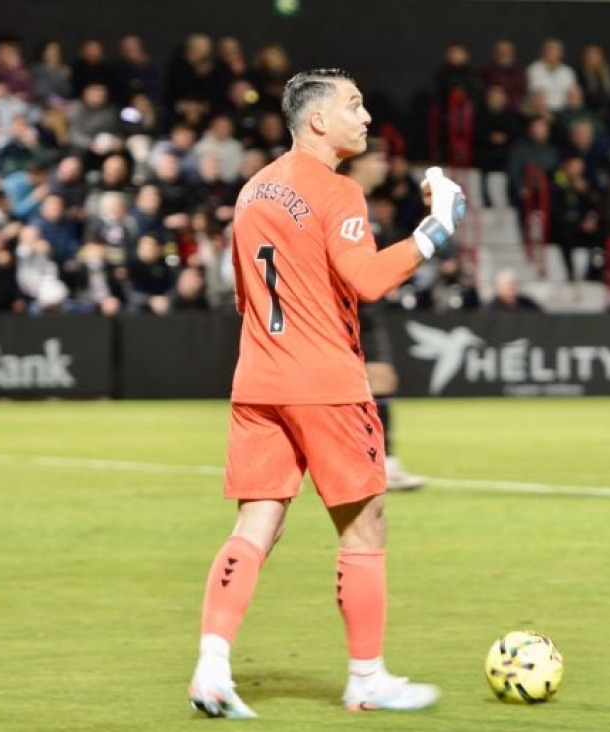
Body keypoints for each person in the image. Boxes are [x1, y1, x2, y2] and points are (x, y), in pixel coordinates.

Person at [187, 68, 464, 718]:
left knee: (258, 522)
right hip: (325, 382)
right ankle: (367, 678)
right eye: (355, 105)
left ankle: (211, 668)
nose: (366, 117)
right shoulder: (337, 190)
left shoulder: (252, 190)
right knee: (365, 525)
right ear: (318, 120)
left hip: (258, 379)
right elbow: (366, 281)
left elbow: (244, 295)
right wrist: (435, 229)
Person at [342, 137, 426, 492]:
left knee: (380, 382)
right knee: (371, 383)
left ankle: (381, 462)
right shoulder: (344, 199)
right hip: (349, 310)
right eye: (378, 159)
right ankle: (376, 464)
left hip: (368, 308)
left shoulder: (367, 205)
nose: (385, 166)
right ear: (358, 163)